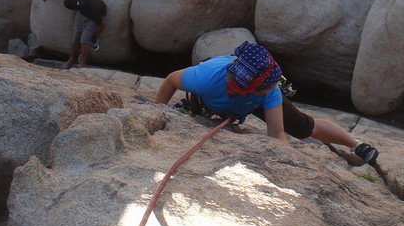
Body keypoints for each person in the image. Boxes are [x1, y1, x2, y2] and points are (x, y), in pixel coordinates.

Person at [154, 41, 380, 164]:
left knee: (303, 127)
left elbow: (277, 135)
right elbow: (171, 80)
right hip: (215, 97)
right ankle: (194, 107)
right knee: (206, 108)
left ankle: (356, 144)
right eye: (268, 87)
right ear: (249, 85)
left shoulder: (269, 91)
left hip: (248, 99)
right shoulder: (206, 77)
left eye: (273, 85)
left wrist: (284, 159)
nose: (273, 89)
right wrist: (157, 112)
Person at [41, 0, 107, 69]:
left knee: (85, 39)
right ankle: (71, 59)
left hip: (94, 13)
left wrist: (95, 36)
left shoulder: (93, 10)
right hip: (83, 12)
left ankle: (82, 62)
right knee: (76, 36)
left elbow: (102, 25)